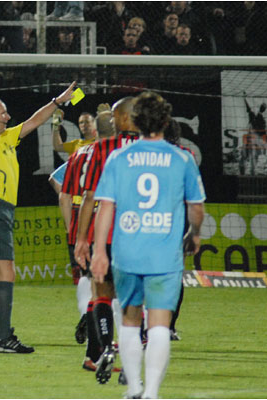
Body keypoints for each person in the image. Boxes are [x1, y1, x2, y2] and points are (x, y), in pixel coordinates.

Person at [0, 44, 76, 353]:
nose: (7, 113)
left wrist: (58, 102)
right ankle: (4, 337)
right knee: (8, 271)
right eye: (1, 110)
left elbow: (36, 119)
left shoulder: (7, 138)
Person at [90, 91, 205, 398]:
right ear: (166, 122)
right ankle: (151, 392)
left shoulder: (119, 157)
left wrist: (99, 251)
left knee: (129, 320)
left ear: (136, 122)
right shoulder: (182, 158)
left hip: (128, 254)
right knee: (158, 324)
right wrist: (194, 233)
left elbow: (105, 208)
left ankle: (134, 389)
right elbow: (196, 207)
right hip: (163, 256)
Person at [75, 96, 140, 384]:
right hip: (140, 237)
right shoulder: (151, 150)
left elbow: (89, 197)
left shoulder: (101, 149)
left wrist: (81, 238)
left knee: (101, 294)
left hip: (107, 234)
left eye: (114, 117)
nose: (111, 122)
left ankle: (103, 349)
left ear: (125, 119)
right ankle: (131, 362)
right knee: (134, 304)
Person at [62, 110, 117, 371]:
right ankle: (104, 346)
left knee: (91, 283)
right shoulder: (114, 153)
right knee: (110, 293)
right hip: (106, 228)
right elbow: (91, 195)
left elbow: (66, 194)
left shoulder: (78, 154)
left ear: (94, 130)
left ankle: (93, 349)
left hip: (80, 226)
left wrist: (72, 231)